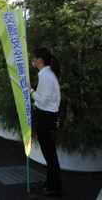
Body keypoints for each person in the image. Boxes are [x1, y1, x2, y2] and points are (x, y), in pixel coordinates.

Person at [30, 47, 62, 198]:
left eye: (33, 57)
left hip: (47, 117)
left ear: (39, 60)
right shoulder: (46, 74)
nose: (32, 60)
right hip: (45, 116)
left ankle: (54, 187)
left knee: (50, 155)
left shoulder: (47, 76)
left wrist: (30, 91)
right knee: (49, 154)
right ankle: (50, 182)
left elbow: (43, 100)